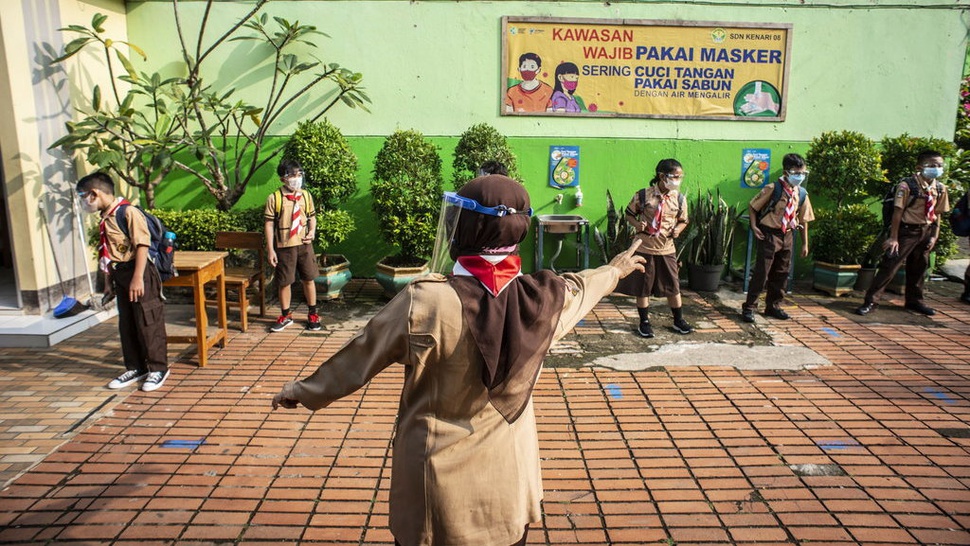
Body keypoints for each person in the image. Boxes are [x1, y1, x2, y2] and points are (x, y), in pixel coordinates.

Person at [272, 175, 645, 546]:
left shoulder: (426, 301)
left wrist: (303, 391)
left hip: (435, 488)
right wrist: (613, 270)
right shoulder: (543, 299)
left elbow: (358, 358)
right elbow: (581, 287)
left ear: (469, 226)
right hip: (507, 488)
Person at [76, 172, 169, 392]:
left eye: (82, 196)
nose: (82, 202)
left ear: (93, 194)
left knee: (148, 320)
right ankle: (136, 366)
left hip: (140, 272)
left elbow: (142, 246)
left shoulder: (128, 212)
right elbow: (108, 253)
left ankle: (158, 368)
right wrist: (109, 283)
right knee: (127, 323)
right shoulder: (106, 217)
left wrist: (138, 278)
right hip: (120, 275)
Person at [856, 150, 950, 316]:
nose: (936, 168)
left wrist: (934, 235)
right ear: (920, 167)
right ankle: (871, 301)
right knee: (890, 266)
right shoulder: (907, 186)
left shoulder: (940, 189)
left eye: (940, 166)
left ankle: (915, 301)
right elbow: (897, 212)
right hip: (906, 230)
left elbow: (937, 214)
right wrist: (893, 237)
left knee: (919, 267)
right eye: (932, 165)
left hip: (925, 230)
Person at [614, 158, 693, 337]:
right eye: (674, 176)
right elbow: (629, 214)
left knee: (673, 286)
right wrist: (637, 224)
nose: (677, 180)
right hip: (645, 248)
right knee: (643, 287)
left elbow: (684, 220)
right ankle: (644, 322)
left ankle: (678, 320)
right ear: (661, 176)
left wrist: (678, 230)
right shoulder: (643, 195)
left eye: (680, 177)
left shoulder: (679, 198)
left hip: (667, 249)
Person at [741, 153, 815, 322]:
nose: (800, 177)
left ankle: (773, 306)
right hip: (770, 234)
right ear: (786, 171)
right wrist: (754, 226)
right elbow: (753, 206)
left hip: (788, 235)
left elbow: (804, 219)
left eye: (802, 173)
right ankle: (750, 307)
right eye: (796, 173)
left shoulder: (802, 193)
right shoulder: (773, 188)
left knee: (782, 273)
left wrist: (805, 244)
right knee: (762, 272)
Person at [264, 159, 321, 332]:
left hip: (304, 244)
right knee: (285, 281)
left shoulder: (305, 196)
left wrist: (312, 231)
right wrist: (271, 249)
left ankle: (313, 313)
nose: (296, 179)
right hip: (285, 245)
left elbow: (311, 217)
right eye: (291, 175)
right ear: (282, 179)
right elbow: (269, 224)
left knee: (309, 278)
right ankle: (286, 315)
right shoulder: (275, 198)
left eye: (299, 175)